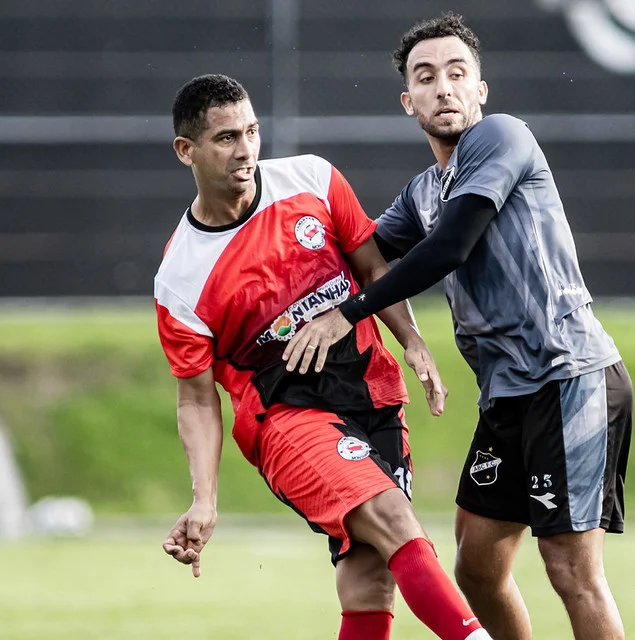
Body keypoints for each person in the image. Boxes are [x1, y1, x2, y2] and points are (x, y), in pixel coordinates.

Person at [283, 13, 633, 640]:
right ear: (407, 101)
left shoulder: (502, 138)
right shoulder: (423, 190)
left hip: (569, 377)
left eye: (456, 73)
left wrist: (352, 314)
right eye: (426, 77)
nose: (443, 87)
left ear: (480, 89)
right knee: (476, 565)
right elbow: (355, 255)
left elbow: (449, 247)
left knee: (571, 570)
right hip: (508, 397)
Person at [154, 73, 493, 640]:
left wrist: (412, 341)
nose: (246, 151)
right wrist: (204, 499)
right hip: (285, 419)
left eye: (253, 132)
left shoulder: (311, 178)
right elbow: (196, 399)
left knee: (369, 579)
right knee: (395, 521)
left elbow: (371, 270)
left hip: (374, 395)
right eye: (226, 139)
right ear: (186, 151)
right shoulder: (180, 277)